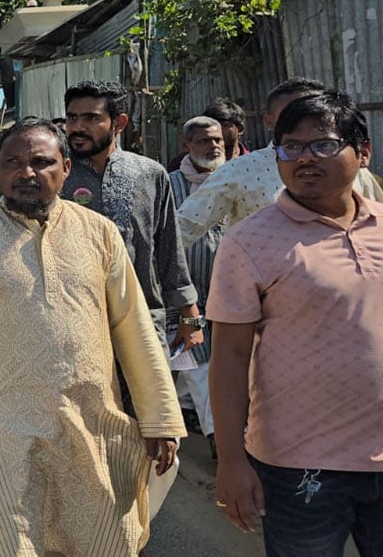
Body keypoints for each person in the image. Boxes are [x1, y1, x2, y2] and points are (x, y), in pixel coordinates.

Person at [0, 118, 185, 557]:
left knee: (103, 541)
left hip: (91, 423)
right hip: (2, 430)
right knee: (11, 544)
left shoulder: (99, 233)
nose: (27, 173)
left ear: (64, 169)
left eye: (41, 162)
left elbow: (133, 327)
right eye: (13, 163)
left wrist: (159, 418)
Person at [209, 91, 383, 555]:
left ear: (362, 153)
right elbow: (228, 358)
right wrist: (230, 461)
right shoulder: (249, 241)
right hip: (300, 468)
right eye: (290, 146)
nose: (304, 158)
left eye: (322, 145)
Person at [62, 81, 200, 357]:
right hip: (69, 322)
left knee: (149, 398)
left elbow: (168, 245)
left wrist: (189, 313)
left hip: (142, 316)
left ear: (119, 123)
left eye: (91, 118)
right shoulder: (55, 173)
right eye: (72, 117)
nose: (77, 127)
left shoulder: (149, 173)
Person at [177, 79, 383, 247]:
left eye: (315, 112)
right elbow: (183, 228)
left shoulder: (350, 169)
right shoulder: (239, 171)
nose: (305, 120)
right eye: (293, 113)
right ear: (268, 121)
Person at [167, 116, 229, 458]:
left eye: (217, 140)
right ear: (186, 146)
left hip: (230, 294)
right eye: (204, 141)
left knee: (210, 366)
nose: (214, 146)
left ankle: (184, 410)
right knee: (199, 365)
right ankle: (219, 439)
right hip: (185, 295)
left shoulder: (235, 180)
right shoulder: (169, 185)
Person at [168, 98, 250, 171]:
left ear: (240, 129)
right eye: (210, 126)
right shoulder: (183, 163)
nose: (216, 131)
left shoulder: (253, 163)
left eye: (223, 125)